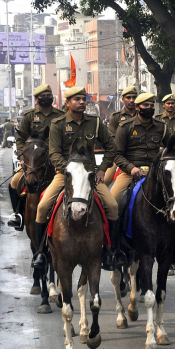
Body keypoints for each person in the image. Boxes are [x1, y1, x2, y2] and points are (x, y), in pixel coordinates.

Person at [33, 86, 119, 270]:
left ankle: (110, 251)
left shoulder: (95, 123)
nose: (81, 102)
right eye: (77, 99)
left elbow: (111, 148)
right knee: (42, 207)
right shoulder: (58, 124)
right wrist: (70, 171)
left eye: (83, 99)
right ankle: (40, 252)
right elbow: (54, 153)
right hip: (65, 175)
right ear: (67, 103)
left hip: (90, 176)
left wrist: (102, 169)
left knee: (112, 206)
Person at [113, 93, 175, 264]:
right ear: (137, 107)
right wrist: (131, 168)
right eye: (145, 105)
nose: (149, 108)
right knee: (113, 204)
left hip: (156, 173)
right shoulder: (125, 127)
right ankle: (114, 248)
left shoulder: (161, 127)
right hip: (131, 172)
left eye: (151, 105)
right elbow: (117, 155)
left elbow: (171, 147)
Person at [7, 84, 65, 230]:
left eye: (49, 95)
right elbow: (20, 139)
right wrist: (22, 157)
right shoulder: (29, 116)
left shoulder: (61, 115)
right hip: (33, 162)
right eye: (43, 95)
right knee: (14, 183)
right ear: (37, 99)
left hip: (55, 160)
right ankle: (18, 215)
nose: (47, 97)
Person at [104, 85, 138, 186]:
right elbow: (112, 138)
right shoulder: (116, 117)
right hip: (119, 155)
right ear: (122, 99)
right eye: (128, 98)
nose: (131, 100)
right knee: (104, 181)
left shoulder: (143, 115)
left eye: (134, 97)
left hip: (138, 153)